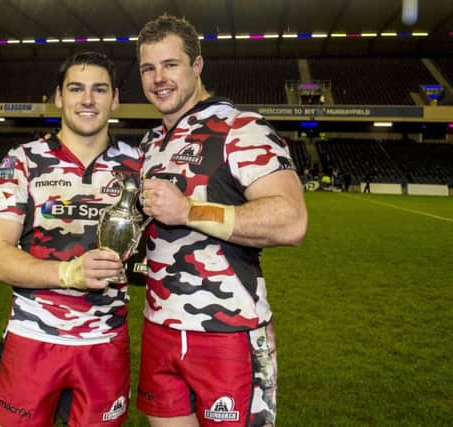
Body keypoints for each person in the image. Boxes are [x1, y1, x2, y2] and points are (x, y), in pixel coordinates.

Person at [136, 15, 308, 427]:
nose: (159, 78)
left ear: (197, 66)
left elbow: (292, 220)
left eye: (171, 64)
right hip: (158, 327)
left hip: (228, 332)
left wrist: (190, 210)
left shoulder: (241, 128)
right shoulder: (150, 142)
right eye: (148, 68)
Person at [0, 51, 142, 427]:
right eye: (76, 89)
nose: (88, 100)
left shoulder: (140, 166)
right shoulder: (22, 161)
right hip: (33, 338)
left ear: (115, 99)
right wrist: (70, 274)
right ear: (58, 96)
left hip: (106, 344)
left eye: (100, 90)